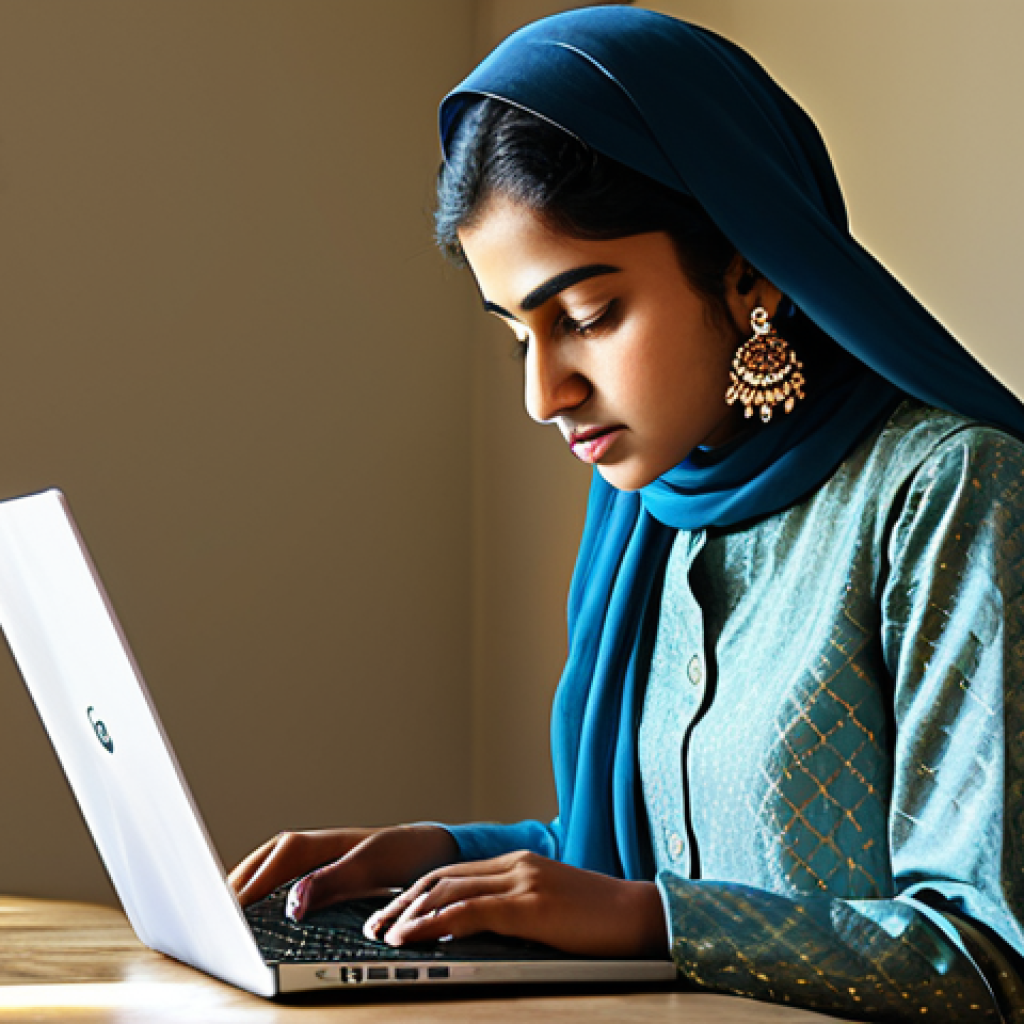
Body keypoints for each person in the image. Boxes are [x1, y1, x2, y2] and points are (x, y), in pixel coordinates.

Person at [229, 7, 1024, 1020]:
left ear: (748, 270)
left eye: (588, 316)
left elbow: (988, 954)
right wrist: (435, 852)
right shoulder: (660, 505)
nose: (545, 392)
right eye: (519, 335)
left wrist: (659, 922)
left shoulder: (946, 493)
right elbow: (637, 856)